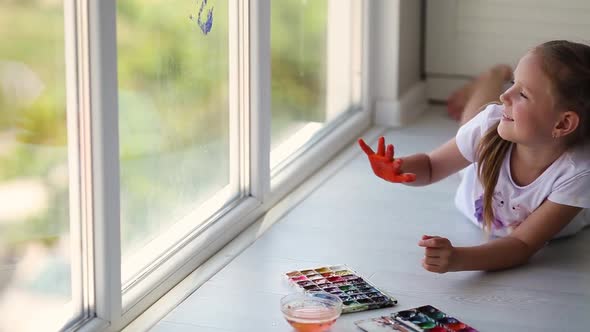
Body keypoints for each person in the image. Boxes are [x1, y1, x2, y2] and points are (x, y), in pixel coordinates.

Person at [358, 40, 590, 274]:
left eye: (523, 94)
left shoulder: (578, 172)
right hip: (479, 170)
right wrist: (398, 169)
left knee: (475, 123)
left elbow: (522, 244)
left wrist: (459, 258)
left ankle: (489, 79)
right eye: (511, 83)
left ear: (563, 123)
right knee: (473, 120)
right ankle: (492, 76)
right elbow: (431, 166)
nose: (505, 96)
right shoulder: (490, 125)